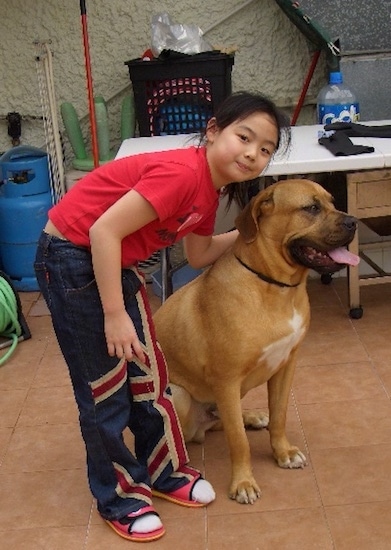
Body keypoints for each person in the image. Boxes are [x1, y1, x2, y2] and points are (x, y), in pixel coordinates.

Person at [34, 91, 291, 542]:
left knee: (149, 377)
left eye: (265, 149)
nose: (253, 153)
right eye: (244, 137)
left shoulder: (209, 195)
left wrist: (254, 232)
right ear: (213, 131)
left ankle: (166, 473)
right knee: (106, 391)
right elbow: (103, 230)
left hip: (113, 264)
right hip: (72, 258)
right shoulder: (181, 173)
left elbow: (201, 251)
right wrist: (115, 314)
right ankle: (119, 498)